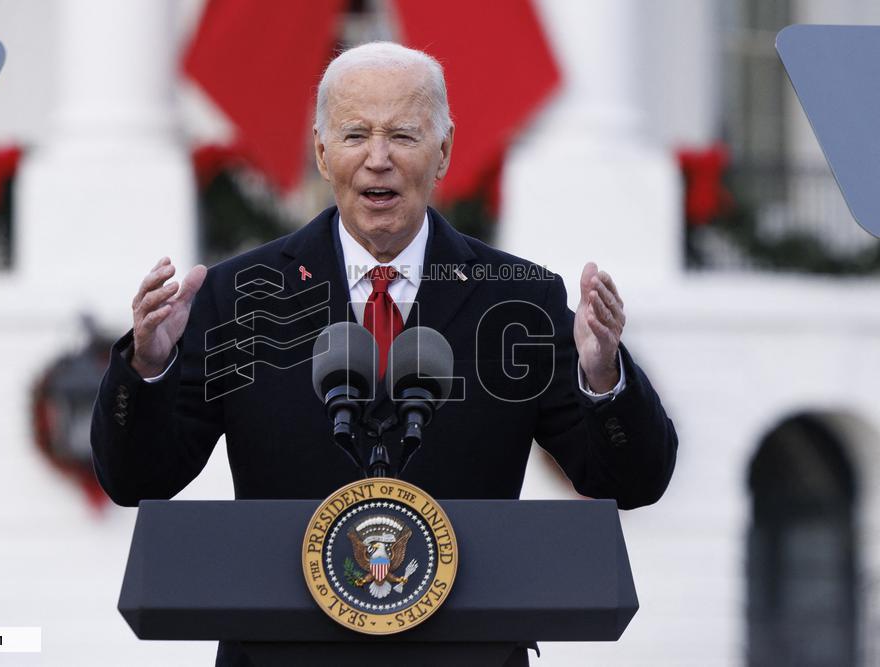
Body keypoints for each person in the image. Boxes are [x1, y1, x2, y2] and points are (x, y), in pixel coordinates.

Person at [91, 42, 677, 666]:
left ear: (444, 150)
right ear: (321, 151)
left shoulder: (517, 300)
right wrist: (147, 369)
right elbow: (138, 480)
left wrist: (602, 375)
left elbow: (632, 481)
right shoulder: (240, 297)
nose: (378, 160)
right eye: (354, 135)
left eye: (402, 133)